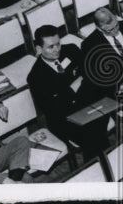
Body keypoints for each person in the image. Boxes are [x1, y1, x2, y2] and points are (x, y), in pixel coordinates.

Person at [27, 25, 107, 158]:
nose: (57, 49)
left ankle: (103, 162)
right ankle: (101, 163)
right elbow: (52, 108)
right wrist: (72, 88)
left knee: (99, 116)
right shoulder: (35, 77)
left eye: (58, 44)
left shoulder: (70, 50)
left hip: (87, 102)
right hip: (64, 118)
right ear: (39, 49)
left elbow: (89, 70)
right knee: (93, 130)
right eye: (51, 47)